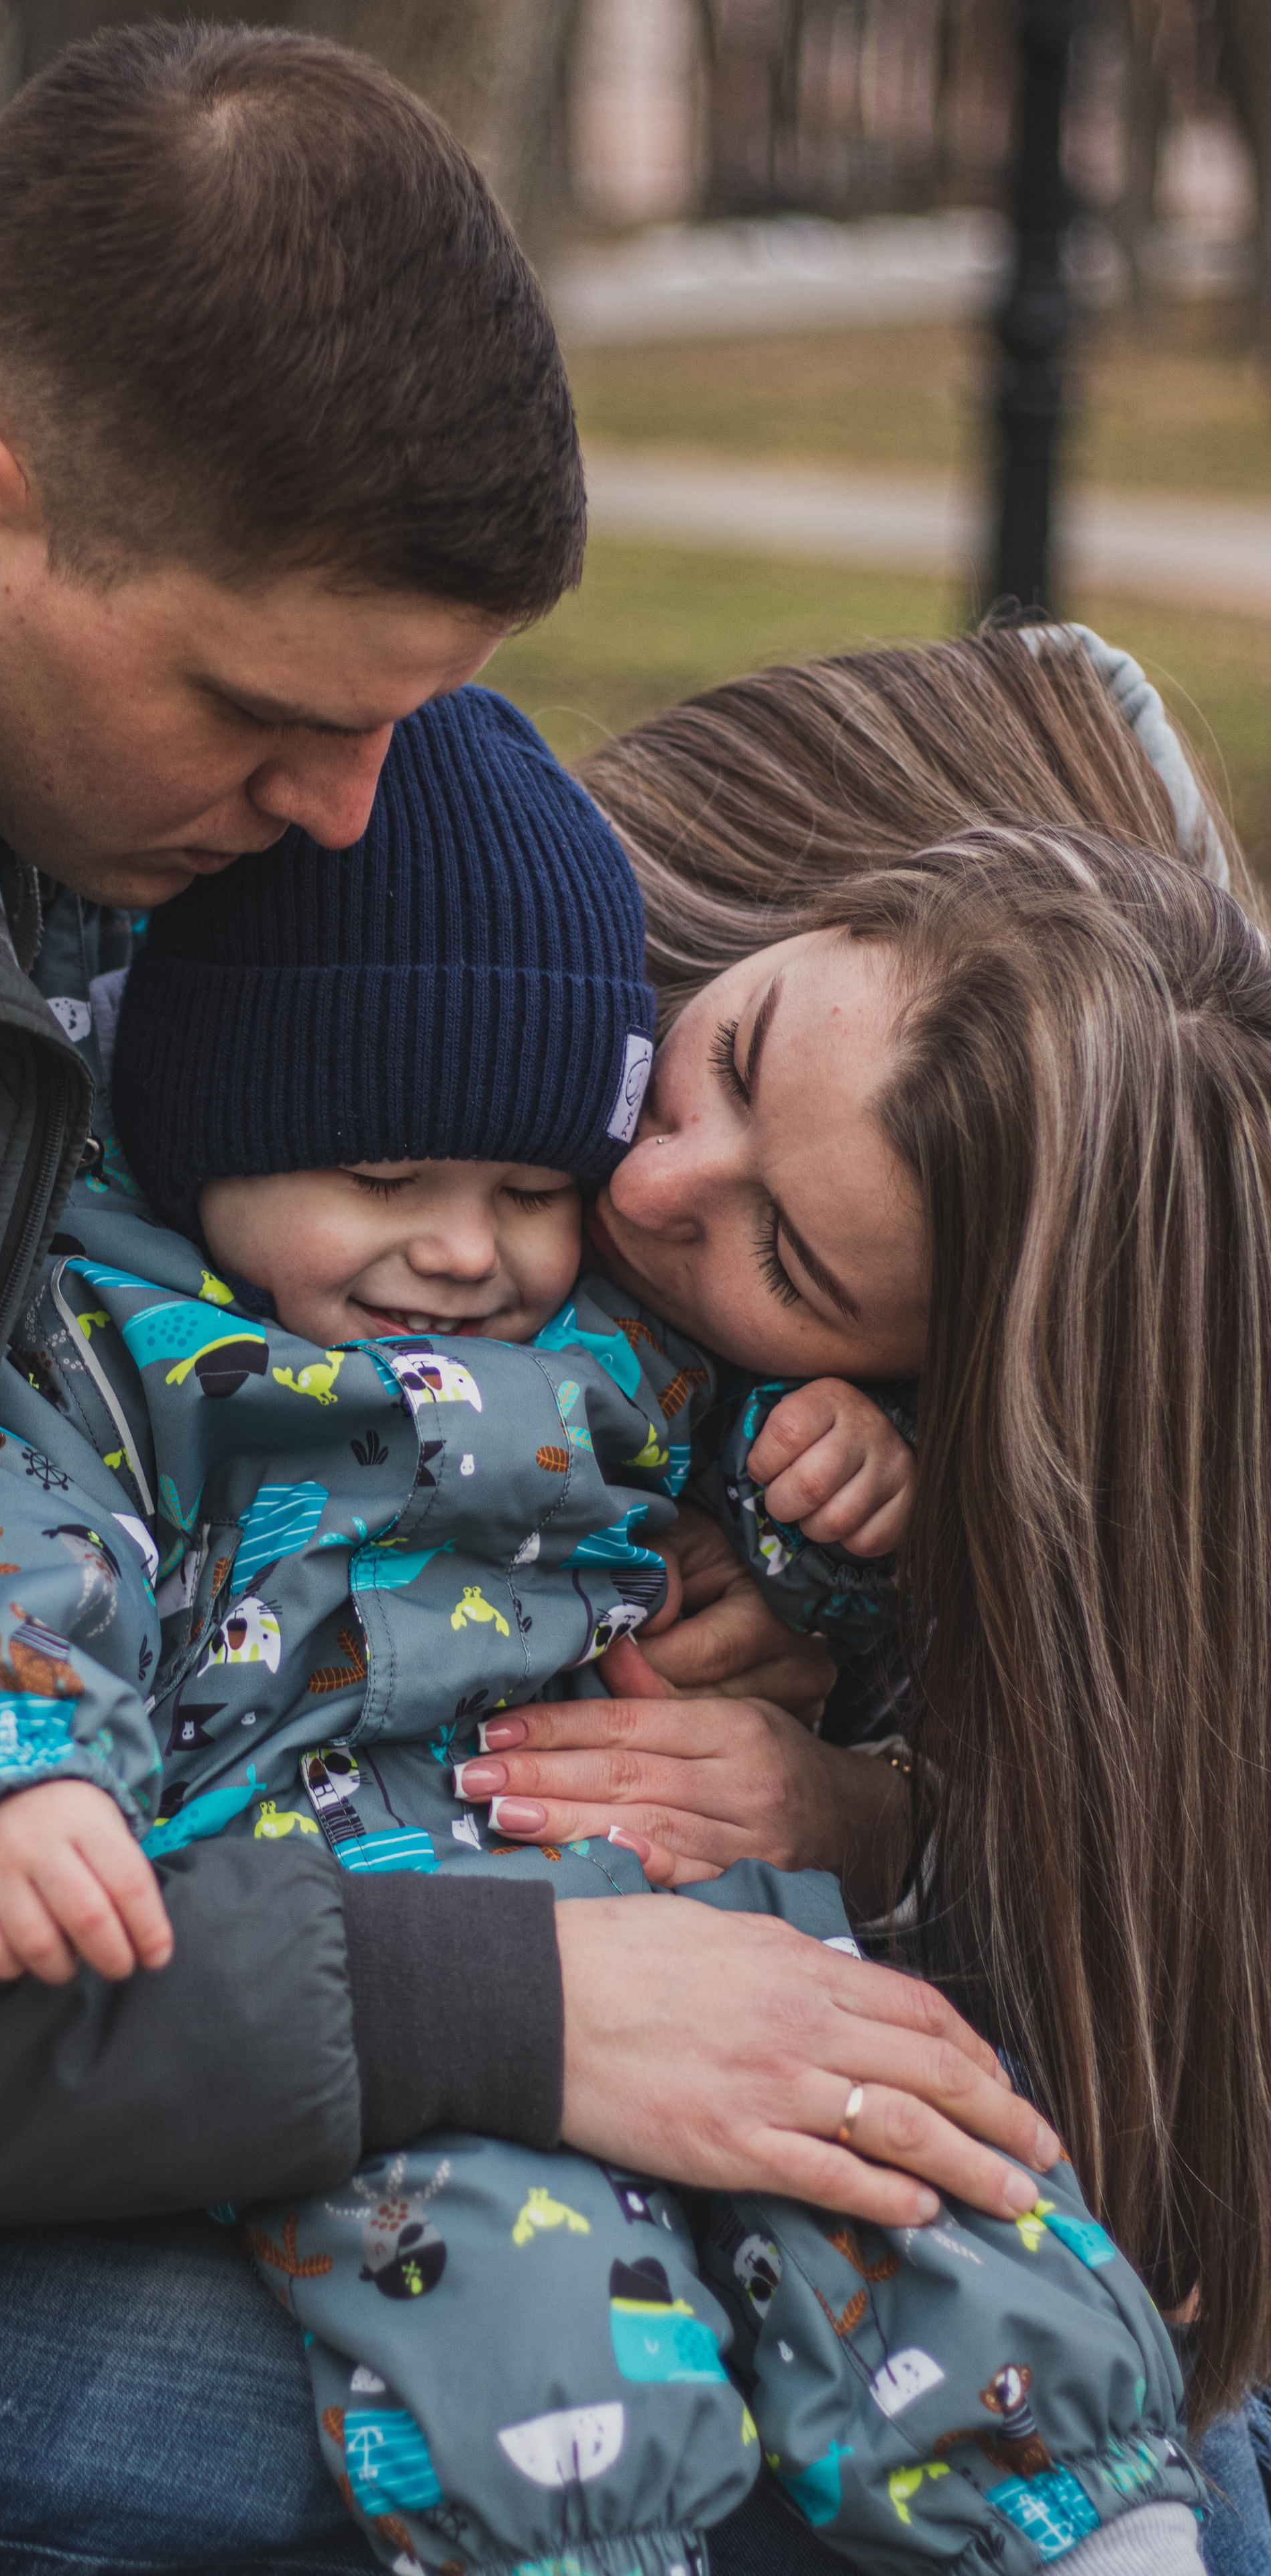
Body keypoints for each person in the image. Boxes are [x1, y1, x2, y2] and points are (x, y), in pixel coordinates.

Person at [0, 27, 1043, 2576]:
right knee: (805, 2492)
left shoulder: (2, 731)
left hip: (62, 1999)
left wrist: (775, 1644)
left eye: (401, 733)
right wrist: (524, 2015)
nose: (344, 828)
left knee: (1127, 2386)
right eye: (277, 722)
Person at [0, 679, 1200, 2576]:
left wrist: (832, 1554)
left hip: (688, 1918)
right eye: (712, 1071)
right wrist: (8, 1770)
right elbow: (7, 1541)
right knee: (514, 2295)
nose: (543, 1222)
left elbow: (722, 1559)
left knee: (926, 2166)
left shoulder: (605, 1338)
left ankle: (1097, 2517)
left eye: (533, 1186)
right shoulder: (141, 1343)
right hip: (363, 1947)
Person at [453, 628, 1271, 2460]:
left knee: (1168, 2429)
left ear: (935, 1396)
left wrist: (862, 1796)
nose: (658, 1185)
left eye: (791, 1268)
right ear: (823, 908)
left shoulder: (1077, 1397)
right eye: (730, 1058)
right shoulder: (528, 911)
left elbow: (1146, 1950)